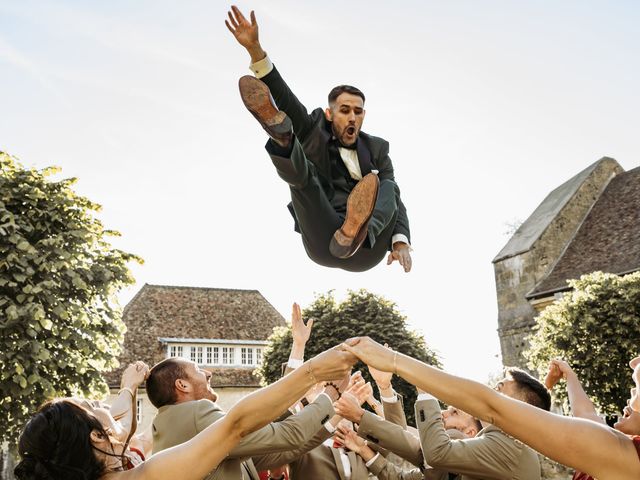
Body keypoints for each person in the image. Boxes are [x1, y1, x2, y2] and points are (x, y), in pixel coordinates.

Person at [226, 6, 412, 273]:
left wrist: (401, 242)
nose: (352, 118)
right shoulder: (314, 129)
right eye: (344, 110)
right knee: (303, 179)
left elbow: (395, 200)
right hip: (322, 235)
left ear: (364, 115)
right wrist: (256, 50)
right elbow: (286, 98)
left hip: (366, 248)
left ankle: (354, 230)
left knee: (389, 185)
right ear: (329, 113)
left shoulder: (378, 149)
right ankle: (283, 137)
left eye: (357, 112)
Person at [14, 347, 355, 480]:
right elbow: (234, 426)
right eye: (93, 406)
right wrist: (315, 374)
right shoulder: (146, 474)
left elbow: (122, 418)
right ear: (95, 435)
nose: (104, 406)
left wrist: (129, 387)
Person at [341, 338, 640, 480]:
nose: (633, 367)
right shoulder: (617, 452)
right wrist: (569, 376)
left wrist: (397, 361)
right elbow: (588, 420)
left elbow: (490, 408)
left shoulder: (509, 443)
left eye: (638, 385)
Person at [147, 357, 344, 480]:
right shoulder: (197, 413)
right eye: (198, 369)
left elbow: (281, 452)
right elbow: (286, 436)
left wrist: (328, 418)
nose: (208, 373)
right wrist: (330, 394)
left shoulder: (167, 423)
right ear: (182, 385)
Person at [545, 358, 640, 480]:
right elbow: (586, 415)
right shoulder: (619, 443)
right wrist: (568, 374)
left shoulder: (630, 454)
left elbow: (584, 417)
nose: (629, 400)